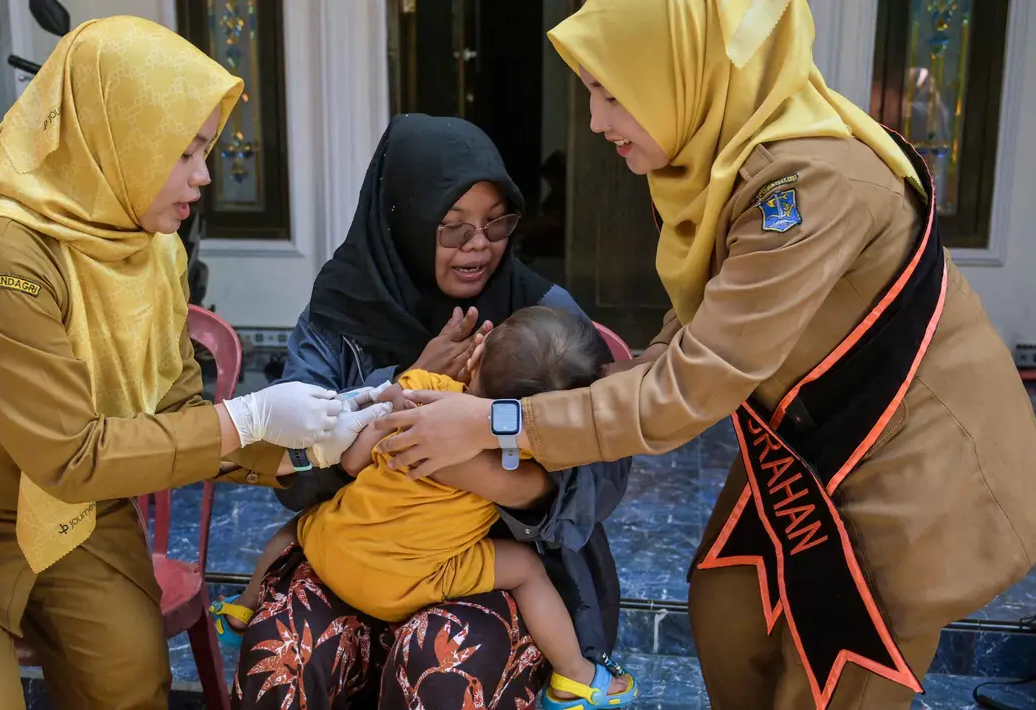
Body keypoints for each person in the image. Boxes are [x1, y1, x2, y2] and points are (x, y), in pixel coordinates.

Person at [373, 2, 1036, 710]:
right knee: (729, 607)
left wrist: (494, 421)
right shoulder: (728, 160)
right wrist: (612, 380)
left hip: (910, 459)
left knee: (834, 664)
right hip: (813, 441)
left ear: (685, 74)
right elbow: (706, 314)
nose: (595, 121)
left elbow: (691, 387)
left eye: (613, 94)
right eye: (592, 92)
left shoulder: (806, 189)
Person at [0, 17, 388, 710]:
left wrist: (310, 443)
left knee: (126, 680)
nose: (203, 176)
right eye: (182, 152)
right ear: (110, 138)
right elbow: (72, 453)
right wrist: (254, 415)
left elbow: (174, 412)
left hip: (60, 497)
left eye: (205, 149)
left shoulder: (147, 246)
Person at [225, 113, 633, 709]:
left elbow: (605, 469)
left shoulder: (544, 318)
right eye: (453, 227)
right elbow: (287, 469)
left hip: (484, 570)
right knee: (282, 656)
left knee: (442, 666)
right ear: (405, 221)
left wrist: (490, 470)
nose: (479, 245)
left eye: (497, 222)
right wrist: (401, 383)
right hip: (360, 547)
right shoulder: (341, 310)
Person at [221, 307, 636, 708]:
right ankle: (576, 676)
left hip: (337, 554)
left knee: (302, 527)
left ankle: (243, 607)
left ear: (475, 356)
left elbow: (351, 463)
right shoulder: (526, 447)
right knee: (527, 570)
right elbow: (582, 440)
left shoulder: (416, 388)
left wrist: (390, 406)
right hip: (416, 580)